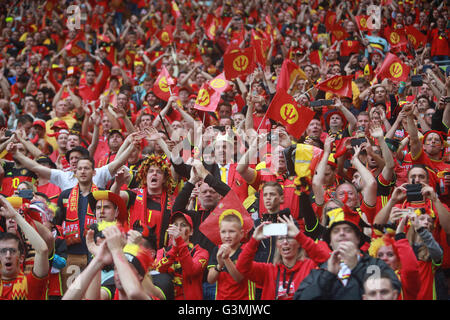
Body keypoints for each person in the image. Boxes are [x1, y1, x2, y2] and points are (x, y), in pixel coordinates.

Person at [293, 206, 401, 300]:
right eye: (336, 231)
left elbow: (392, 289)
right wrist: (328, 275)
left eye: (348, 230)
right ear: (330, 241)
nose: (342, 233)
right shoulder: (320, 272)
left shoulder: (376, 265)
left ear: (358, 238)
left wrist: (356, 266)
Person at [236, 215, 328, 300]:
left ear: (299, 242)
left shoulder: (309, 267)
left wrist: (300, 236)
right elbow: (241, 267)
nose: (285, 242)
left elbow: (326, 260)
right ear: (277, 244)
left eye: (290, 238)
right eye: (280, 239)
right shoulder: (268, 271)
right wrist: (254, 240)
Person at [0, 195, 49, 300]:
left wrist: (16, 216)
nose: (8, 255)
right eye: (3, 251)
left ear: (22, 257)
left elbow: (42, 250)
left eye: (12, 251)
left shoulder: (30, 284)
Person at [155, 211, 208, 300]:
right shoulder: (162, 251)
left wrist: (179, 242)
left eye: (183, 225)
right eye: (175, 225)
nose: (178, 228)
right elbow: (159, 270)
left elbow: (191, 271)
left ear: (191, 232)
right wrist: (174, 249)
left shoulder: (200, 252)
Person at [207, 213, 253, 300]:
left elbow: (239, 278)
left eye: (232, 231)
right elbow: (210, 280)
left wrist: (226, 259)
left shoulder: (246, 250)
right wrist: (219, 265)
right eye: (223, 232)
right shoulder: (217, 249)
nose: (227, 236)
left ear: (241, 233)